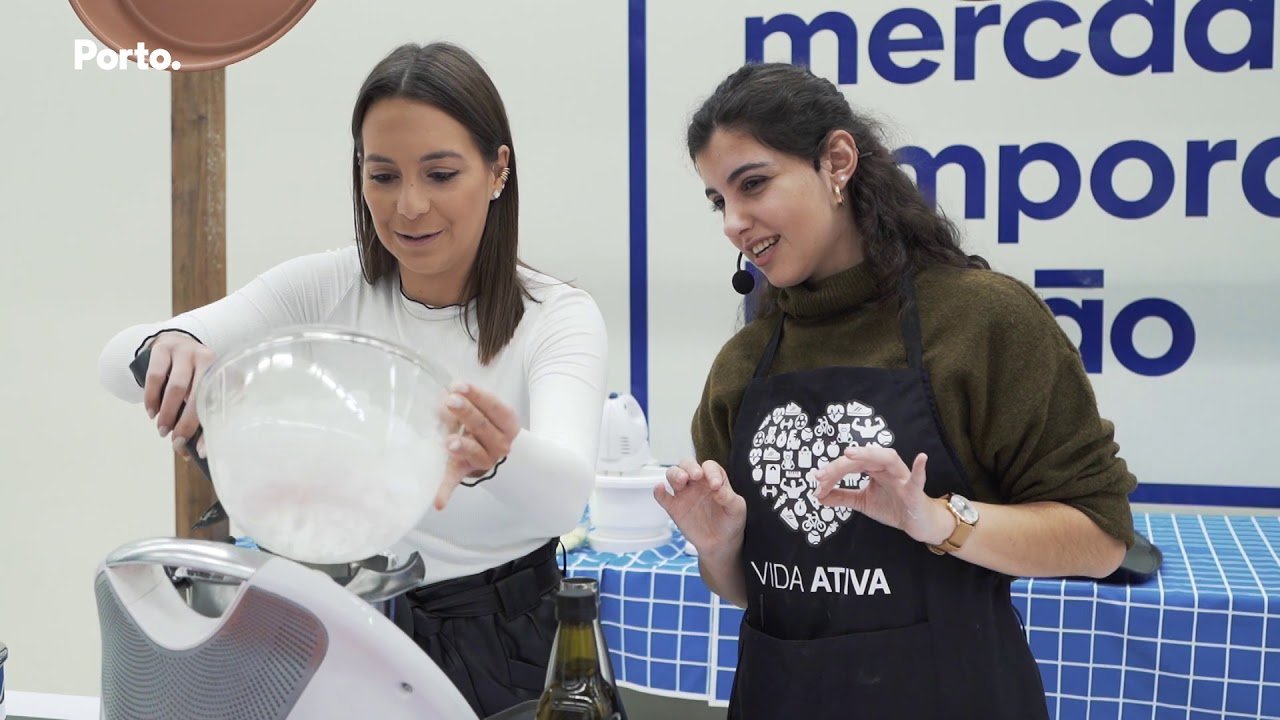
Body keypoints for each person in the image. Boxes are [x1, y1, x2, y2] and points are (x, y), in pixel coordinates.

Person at [98, 42, 607, 717]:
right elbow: (115, 361)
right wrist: (172, 346)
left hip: (499, 640)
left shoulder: (556, 317)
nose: (410, 206)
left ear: (497, 170)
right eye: (383, 176)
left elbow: (565, 497)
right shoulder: (326, 286)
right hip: (325, 623)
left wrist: (500, 451)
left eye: (441, 174)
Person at [654, 62, 1135, 720]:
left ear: (837, 161)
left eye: (754, 184)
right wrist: (718, 545)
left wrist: (934, 520)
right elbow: (747, 591)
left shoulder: (983, 322)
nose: (734, 222)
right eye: (718, 200)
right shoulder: (740, 366)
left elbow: (1101, 541)